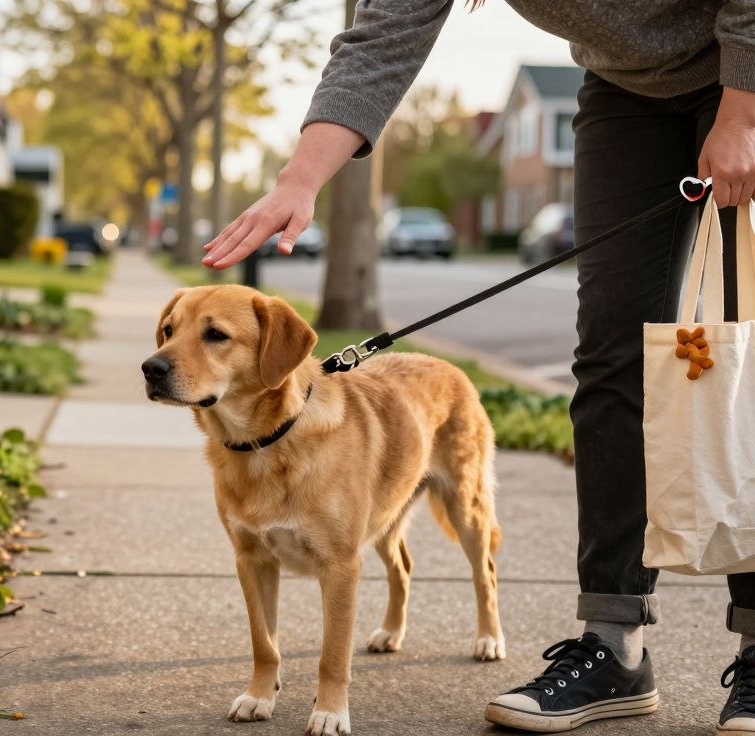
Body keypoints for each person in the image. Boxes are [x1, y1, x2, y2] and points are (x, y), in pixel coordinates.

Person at [202, 1, 755, 732]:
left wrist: (742, 108)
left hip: (745, 64)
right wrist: (300, 179)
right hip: (628, 93)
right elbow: (380, 40)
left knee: (746, 356)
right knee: (610, 361)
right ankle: (614, 644)